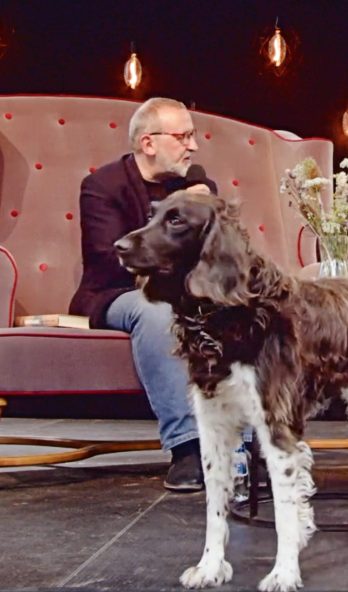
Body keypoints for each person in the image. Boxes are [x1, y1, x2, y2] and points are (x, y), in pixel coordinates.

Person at [69, 97, 218, 492]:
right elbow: (108, 257)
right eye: (182, 137)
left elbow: (214, 255)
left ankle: (247, 445)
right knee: (156, 310)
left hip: (188, 293)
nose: (193, 146)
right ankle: (186, 447)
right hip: (116, 293)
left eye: (193, 136)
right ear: (148, 143)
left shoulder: (196, 188)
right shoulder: (102, 186)